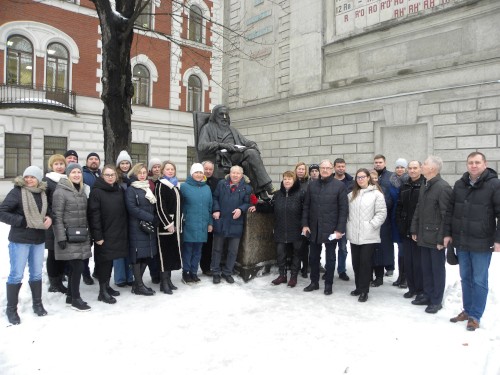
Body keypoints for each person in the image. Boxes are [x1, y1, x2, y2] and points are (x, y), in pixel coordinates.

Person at [444, 152, 500, 331]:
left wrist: (498, 239)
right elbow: (450, 211)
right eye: (470, 163)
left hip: (482, 242)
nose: (473, 166)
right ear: (467, 165)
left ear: (485, 164)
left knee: (479, 280)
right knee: (465, 278)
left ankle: (475, 316)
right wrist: (448, 234)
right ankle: (467, 311)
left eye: (477, 162)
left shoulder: (494, 185)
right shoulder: (460, 184)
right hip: (461, 241)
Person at [0, 166, 51, 324]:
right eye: (26, 177)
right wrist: (22, 221)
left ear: (38, 180)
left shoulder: (42, 194)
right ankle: (11, 309)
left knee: (36, 273)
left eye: (33, 177)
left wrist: (50, 218)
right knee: (16, 274)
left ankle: (37, 304)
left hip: (38, 239)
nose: (29, 180)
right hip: (20, 240)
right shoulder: (16, 192)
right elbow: (2, 212)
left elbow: (47, 212)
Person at [198, 104, 276, 200]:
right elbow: (202, 146)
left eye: (226, 114)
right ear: (215, 116)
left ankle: (260, 191)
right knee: (251, 153)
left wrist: (252, 144)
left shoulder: (232, 129)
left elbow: (245, 141)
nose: (224, 117)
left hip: (237, 155)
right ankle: (267, 185)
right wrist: (222, 145)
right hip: (225, 158)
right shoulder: (208, 128)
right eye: (221, 114)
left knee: (247, 162)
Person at [410, 156, 452, 314]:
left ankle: (436, 300)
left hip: (436, 238)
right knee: (425, 268)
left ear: (432, 169)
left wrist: (443, 237)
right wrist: (414, 229)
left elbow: (446, 215)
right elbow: (419, 209)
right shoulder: (425, 185)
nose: (422, 165)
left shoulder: (443, 187)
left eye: (425, 164)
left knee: (436, 269)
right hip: (423, 235)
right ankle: (427, 295)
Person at [249, 171, 305, 287]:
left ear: (294, 181)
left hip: (296, 229)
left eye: (290, 179)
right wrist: (257, 207)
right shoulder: (278, 194)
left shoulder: (301, 194)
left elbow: (306, 211)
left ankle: (293, 276)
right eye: (285, 179)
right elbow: (270, 206)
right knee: (281, 254)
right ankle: (282, 275)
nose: (287, 181)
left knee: (296, 254)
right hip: (280, 229)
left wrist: (305, 226)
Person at [302, 159, 348, 295]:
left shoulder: (339, 186)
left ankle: (329, 284)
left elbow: (343, 210)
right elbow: (307, 206)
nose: (325, 170)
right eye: (323, 168)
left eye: (328, 168)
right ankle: (314, 282)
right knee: (314, 257)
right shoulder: (313, 185)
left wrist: (339, 230)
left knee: (330, 258)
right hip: (314, 227)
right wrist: (305, 225)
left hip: (331, 228)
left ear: (332, 169)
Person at [52, 163, 92, 311]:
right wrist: (61, 237)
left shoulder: (81, 191)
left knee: (77, 268)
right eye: (73, 172)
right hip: (68, 237)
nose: (76, 175)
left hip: (80, 236)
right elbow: (57, 216)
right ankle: (76, 298)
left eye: (78, 172)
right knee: (78, 266)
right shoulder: (60, 192)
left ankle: (70, 296)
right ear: (68, 174)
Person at [87, 165, 128, 304]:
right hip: (104, 233)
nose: (110, 177)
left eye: (113, 175)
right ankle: (102, 291)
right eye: (107, 175)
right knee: (104, 262)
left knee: (111, 261)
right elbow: (94, 215)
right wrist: (97, 236)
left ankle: (107, 286)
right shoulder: (96, 192)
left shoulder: (118, 189)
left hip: (117, 231)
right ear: (102, 176)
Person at [346, 168, 387, 302]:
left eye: (363, 177)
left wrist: (371, 225)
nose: (360, 179)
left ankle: (364, 290)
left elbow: (381, 213)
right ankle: (358, 287)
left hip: (368, 235)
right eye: (358, 177)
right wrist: (348, 225)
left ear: (368, 178)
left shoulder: (377, 194)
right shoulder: (351, 194)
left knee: (365, 263)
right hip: (354, 234)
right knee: (356, 263)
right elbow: (346, 213)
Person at [211, 165, 252, 284]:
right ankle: (215, 272)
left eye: (237, 173)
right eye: (233, 173)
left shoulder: (246, 188)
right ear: (230, 174)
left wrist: (241, 209)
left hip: (235, 222)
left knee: (233, 250)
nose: (235, 175)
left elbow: (247, 202)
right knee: (217, 249)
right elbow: (215, 198)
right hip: (221, 220)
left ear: (241, 175)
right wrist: (216, 210)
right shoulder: (221, 184)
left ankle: (227, 272)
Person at [125, 163, 159, 296]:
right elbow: (132, 209)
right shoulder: (131, 189)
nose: (142, 175)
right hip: (137, 227)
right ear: (135, 174)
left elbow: (153, 205)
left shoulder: (147, 187)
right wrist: (151, 218)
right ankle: (138, 284)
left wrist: (155, 217)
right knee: (137, 256)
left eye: (144, 172)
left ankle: (137, 284)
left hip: (148, 227)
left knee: (147, 254)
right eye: (140, 172)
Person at [395, 161, 425, 300]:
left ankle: (420, 290)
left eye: (415, 168)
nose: (412, 171)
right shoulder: (405, 185)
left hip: (419, 230)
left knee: (419, 262)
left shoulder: (425, 184)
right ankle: (412, 288)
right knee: (409, 261)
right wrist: (399, 223)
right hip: (405, 229)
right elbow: (399, 206)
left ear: (421, 169)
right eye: (410, 168)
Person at [180, 163, 214, 285]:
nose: (199, 175)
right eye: (196, 172)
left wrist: (210, 223)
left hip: (202, 224)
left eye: (201, 172)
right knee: (188, 250)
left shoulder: (206, 188)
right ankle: (186, 272)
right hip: (189, 223)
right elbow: (180, 206)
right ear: (191, 173)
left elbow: (210, 207)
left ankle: (194, 272)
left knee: (198, 250)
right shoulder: (184, 187)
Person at [154, 161, 182, 293]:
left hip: (175, 227)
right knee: (163, 254)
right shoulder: (160, 185)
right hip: (166, 227)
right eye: (168, 169)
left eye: (172, 169)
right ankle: (163, 282)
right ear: (162, 171)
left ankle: (169, 280)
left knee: (171, 253)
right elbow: (160, 207)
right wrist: (168, 223)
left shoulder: (175, 185)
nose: (170, 171)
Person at [42, 154, 68, 294]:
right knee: (53, 253)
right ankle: (54, 282)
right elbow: (43, 202)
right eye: (56, 164)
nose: (59, 166)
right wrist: (50, 215)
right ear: (51, 166)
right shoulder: (47, 181)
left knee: (63, 252)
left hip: (66, 223)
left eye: (61, 164)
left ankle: (59, 279)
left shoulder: (67, 179)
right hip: (52, 223)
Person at [113, 151, 135, 288]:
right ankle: (120, 277)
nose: (125, 166)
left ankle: (129, 276)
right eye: (122, 163)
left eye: (127, 163)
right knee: (119, 248)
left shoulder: (133, 178)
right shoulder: (115, 179)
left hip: (131, 217)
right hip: (118, 217)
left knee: (130, 248)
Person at [369, 170, 393, 287]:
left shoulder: (383, 189)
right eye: (372, 177)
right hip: (366, 224)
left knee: (379, 251)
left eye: (376, 177)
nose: (374, 180)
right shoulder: (362, 189)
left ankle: (379, 277)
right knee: (368, 252)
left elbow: (389, 203)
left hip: (381, 224)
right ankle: (368, 276)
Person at [81, 152, 101, 285]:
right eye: (91, 159)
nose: (93, 161)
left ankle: (98, 271)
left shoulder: (102, 175)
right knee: (86, 247)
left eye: (96, 159)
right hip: (85, 216)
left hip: (100, 215)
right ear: (87, 161)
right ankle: (85, 273)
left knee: (100, 245)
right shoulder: (82, 175)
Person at [389, 158, 409, 288]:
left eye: (402, 167)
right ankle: (400, 276)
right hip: (393, 216)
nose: (399, 169)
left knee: (404, 247)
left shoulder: (409, 181)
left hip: (405, 216)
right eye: (397, 167)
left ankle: (406, 277)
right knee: (399, 247)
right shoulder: (391, 181)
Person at [374, 154, 395, 276]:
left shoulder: (390, 176)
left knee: (387, 243)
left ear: (385, 163)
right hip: (373, 215)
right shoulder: (370, 174)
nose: (378, 164)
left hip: (387, 214)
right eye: (376, 162)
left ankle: (390, 266)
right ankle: (377, 265)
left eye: (380, 162)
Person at [333, 158, 354, 282]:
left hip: (345, 218)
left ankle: (341, 270)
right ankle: (329, 268)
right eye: (338, 166)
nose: (341, 168)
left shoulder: (351, 182)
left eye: (343, 166)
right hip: (330, 218)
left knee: (343, 247)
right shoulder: (327, 180)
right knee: (329, 246)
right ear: (334, 167)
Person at [200, 161, 220, 276]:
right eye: (206, 169)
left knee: (208, 244)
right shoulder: (196, 180)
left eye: (210, 169)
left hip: (211, 217)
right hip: (198, 216)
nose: (208, 171)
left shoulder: (217, 183)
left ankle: (206, 267)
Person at [146, 157, 162, 284]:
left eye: (158, 166)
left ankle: (162, 272)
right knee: (153, 248)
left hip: (163, 218)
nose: (157, 169)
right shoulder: (148, 182)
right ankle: (154, 273)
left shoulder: (164, 180)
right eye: (154, 167)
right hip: (152, 217)